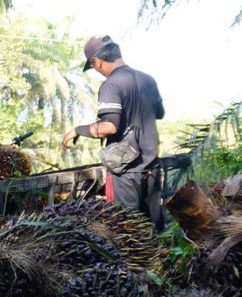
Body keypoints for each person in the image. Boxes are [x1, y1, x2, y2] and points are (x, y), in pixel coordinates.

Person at [61, 35, 167, 231]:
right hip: (151, 167)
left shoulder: (111, 85)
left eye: (93, 67)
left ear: (97, 62)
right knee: (155, 228)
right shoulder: (148, 80)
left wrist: (78, 130)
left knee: (129, 230)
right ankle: (162, 261)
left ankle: (136, 263)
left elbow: (110, 126)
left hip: (126, 172)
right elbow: (159, 113)